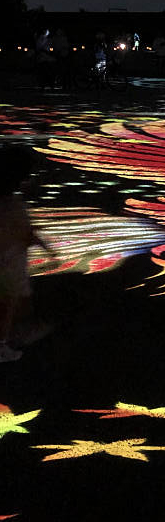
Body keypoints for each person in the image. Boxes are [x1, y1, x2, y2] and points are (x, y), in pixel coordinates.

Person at [0, 145, 54, 362]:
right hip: (8, 265)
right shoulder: (12, 206)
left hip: (9, 263)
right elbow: (22, 232)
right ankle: (3, 344)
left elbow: (24, 231)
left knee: (8, 304)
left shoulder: (12, 205)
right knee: (7, 305)